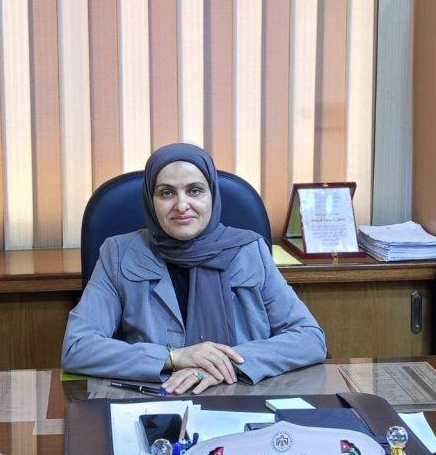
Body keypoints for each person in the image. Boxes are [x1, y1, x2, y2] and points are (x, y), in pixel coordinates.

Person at [62, 143, 327, 394]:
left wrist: (225, 363)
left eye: (195, 191)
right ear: (150, 201)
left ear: (213, 195)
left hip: (245, 397)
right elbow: (78, 348)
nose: (181, 205)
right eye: (166, 193)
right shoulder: (118, 254)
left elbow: (309, 338)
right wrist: (173, 357)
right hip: (158, 401)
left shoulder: (250, 250)